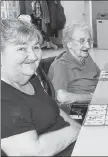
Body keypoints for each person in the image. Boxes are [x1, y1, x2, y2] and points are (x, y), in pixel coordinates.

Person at [1, 18, 80, 156]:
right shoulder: (3, 98)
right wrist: (76, 131)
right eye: (21, 48)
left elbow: (56, 112)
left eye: (36, 47)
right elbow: (33, 152)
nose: (33, 56)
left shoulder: (30, 78)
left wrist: (80, 129)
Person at [48, 21, 100, 105]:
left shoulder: (86, 57)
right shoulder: (61, 65)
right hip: (79, 108)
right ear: (69, 43)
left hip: (96, 100)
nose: (88, 46)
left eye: (89, 40)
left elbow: (99, 76)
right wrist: (92, 97)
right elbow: (62, 97)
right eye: (82, 41)